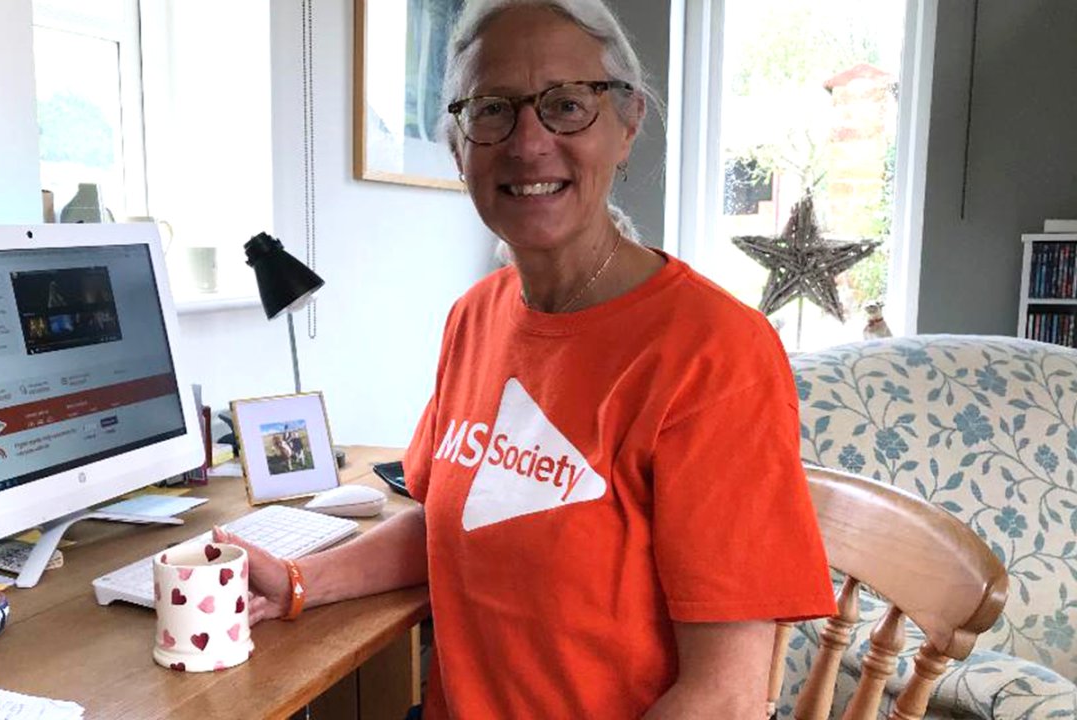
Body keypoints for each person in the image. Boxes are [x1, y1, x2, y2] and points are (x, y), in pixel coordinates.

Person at [217, 1, 837, 716]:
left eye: (568, 105)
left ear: (627, 126)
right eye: (492, 111)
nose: (528, 142)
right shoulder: (475, 316)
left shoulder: (714, 352)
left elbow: (723, 697)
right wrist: (297, 581)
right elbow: (451, 524)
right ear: (459, 148)